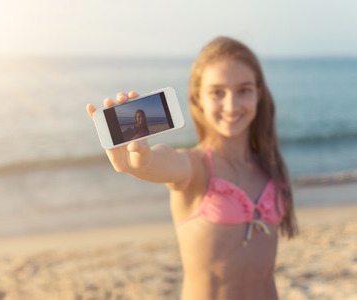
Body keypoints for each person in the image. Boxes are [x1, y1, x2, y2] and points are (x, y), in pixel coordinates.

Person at [86, 36, 297, 300]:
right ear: (198, 99)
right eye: (217, 92)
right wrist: (142, 162)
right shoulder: (194, 167)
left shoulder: (269, 167)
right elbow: (167, 162)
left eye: (244, 89)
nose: (231, 105)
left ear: (259, 94)